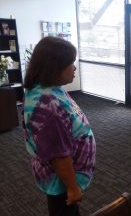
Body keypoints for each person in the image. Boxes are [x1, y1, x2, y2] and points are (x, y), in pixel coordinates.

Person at [22, 36, 96, 216]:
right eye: (71, 63)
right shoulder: (49, 107)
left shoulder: (50, 88)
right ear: (54, 67)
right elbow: (58, 155)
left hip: (62, 177)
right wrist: (73, 187)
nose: (75, 67)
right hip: (62, 183)